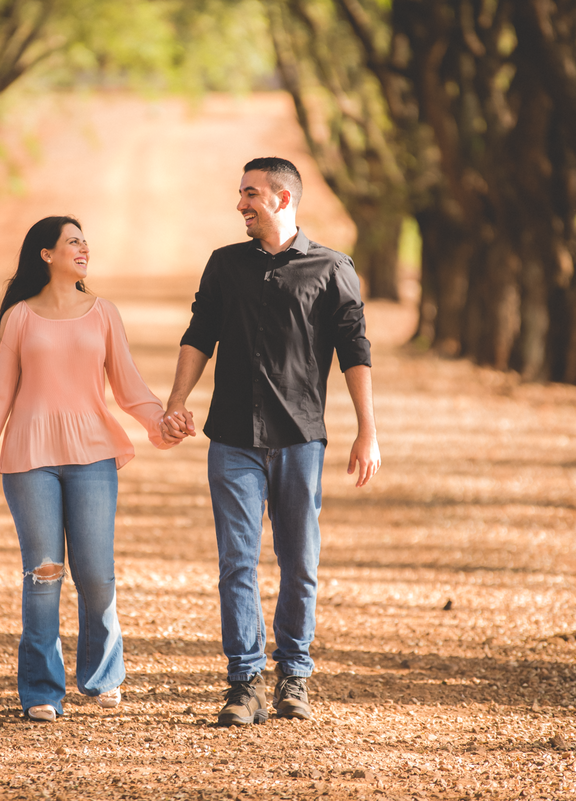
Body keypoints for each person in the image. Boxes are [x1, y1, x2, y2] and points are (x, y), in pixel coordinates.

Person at [160, 157, 381, 726]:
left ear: (283, 199)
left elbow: (356, 353)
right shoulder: (224, 265)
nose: (241, 204)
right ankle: (244, 681)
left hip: (300, 439)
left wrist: (367, 431)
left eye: (251, 194)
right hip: (231, 437)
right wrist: (177, 400)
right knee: (237, 561)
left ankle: (295, 674)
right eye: (240, 193)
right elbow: (198, 334)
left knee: (299, 560)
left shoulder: (333, 269)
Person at [0, 216, 180, 722]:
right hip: (29, 460)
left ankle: (102, 676)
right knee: (44, 573)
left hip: (93, 457)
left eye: (86, 241)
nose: (84, 248)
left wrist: (159, 422)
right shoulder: (19, 317)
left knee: (96, 572)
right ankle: (41, 688)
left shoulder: (103, 314)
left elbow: (129, 386)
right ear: (46, 254)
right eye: (73, 241)